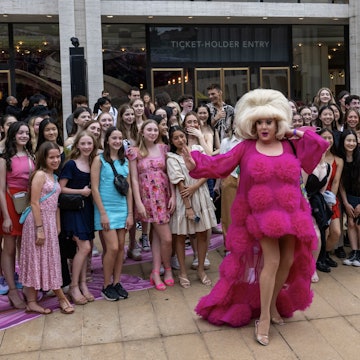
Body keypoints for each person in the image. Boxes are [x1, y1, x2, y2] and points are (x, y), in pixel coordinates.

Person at [182, 89, 328, 346]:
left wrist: (292, 131)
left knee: (288, 260)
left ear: (277, 122)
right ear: (251, 123)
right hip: (261, 216)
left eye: (269, 121)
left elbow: (318, 145)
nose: (263, 126)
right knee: (271, 261)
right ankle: (263, 318)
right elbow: (221, 165)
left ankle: (271, 305)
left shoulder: (289, 143)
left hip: (291, 212)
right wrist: (196, 164)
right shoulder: (246, 147)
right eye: (259, 121)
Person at [19, 141, 74, 314]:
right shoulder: (40, 175)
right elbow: (34, 202)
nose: (56, 160)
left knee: (49, 260)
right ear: (44, 158)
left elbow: (55, 203)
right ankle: (54, 299)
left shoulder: (54, 177)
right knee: (35, 260)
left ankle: (35, 301)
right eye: (52, 157)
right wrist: (40, 228)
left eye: (58, 156)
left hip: (50, 222)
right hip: (37, 222)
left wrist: (56, 226)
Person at [167, 126, 217, 288]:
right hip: (184, 198)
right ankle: (182, 271)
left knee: (202, 233)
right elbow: (179, 182)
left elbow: (208, 169)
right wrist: (188, 207)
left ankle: (201, 269)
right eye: (176, 138)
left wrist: (196, 186)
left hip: (200, 193)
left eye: (182, 136)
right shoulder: (172, 158)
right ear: (172, 141)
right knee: (181, 236)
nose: (180, 140)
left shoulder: (196, 149)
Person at [129, 120, 175, 291]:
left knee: (158, 236)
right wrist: (138, 202)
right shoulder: (134, 152)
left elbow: (170, 174)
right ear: (142, 131)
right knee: (166, 237)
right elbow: (133, 179)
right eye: (149, 129)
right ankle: (167, 269)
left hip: (164, 196)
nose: (153, 133)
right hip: (147, 198)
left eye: (155, 130)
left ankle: (156, 271)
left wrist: (174, 196)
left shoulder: (164, 148)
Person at [91, 127, 133, 301]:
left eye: (120, 138)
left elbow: (128, 189)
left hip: (122, 208)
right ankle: (106, 285)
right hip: (105, 209)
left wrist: (130, 213)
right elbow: (94, 188)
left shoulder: (125, 161)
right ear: (106, 140)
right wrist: (102, 213)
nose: (117, 141)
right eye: (114, 138)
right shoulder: (98, 160)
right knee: (113, 247)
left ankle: (116, 282)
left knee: (121, 247)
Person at [59, 131, 97, 305]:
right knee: (84, 247)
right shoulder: (70, 165)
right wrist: (80, 192)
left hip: (87, 209)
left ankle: (83, 284)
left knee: (85, 250)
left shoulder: (93, 163)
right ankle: (74, 286)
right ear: (77, 145)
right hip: (73, 210)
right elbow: (61, 189)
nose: (87, 146)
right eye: (84, 143)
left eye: (90, 143)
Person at [0, 121, 35, 309]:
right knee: (10, 247)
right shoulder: (4, 158)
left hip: (27, 204)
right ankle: (12, 289)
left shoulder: (31, 155)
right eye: (21, 132)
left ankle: (25, 282)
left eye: (27, 133)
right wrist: (5, 216)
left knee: (25, 246)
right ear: (13, 135)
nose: (24, 136)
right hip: (10, 203)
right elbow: (0, 189)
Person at [319, 129, 343, 265]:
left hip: (330, 198)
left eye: (330, 138)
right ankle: (320, 258)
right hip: (316, 198)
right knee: (324, 232)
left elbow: (335, 182)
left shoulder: (338, 160)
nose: (328, 141)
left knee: (336, 232)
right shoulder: (314, 157)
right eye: (324, 138)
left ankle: (326, 254)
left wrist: (330, 200)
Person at [338, 129, 360, 266]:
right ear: (343, 142)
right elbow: (341, 185)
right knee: (351, 223)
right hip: (349, 196)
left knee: (359, 225)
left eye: (353, 140)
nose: (351, 143)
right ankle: (354, 252)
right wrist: (345, 203)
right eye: (348, 140)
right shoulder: (341, 159)